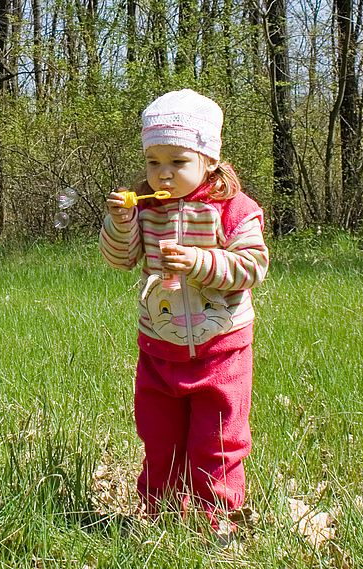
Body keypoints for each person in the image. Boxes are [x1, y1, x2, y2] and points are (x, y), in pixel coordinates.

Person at [99, 89, 269, 533]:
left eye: (177, 162)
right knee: (159, 438)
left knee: (215, 440)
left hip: (221, 345)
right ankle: (158, 516)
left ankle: (217, 523)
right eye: (153, 162)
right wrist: (121, 225)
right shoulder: (146, 209)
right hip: (161, 343)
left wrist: (199, 262)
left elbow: (252, 266)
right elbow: (120, 258)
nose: (162, 175)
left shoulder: (234, 210)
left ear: (209, 160)